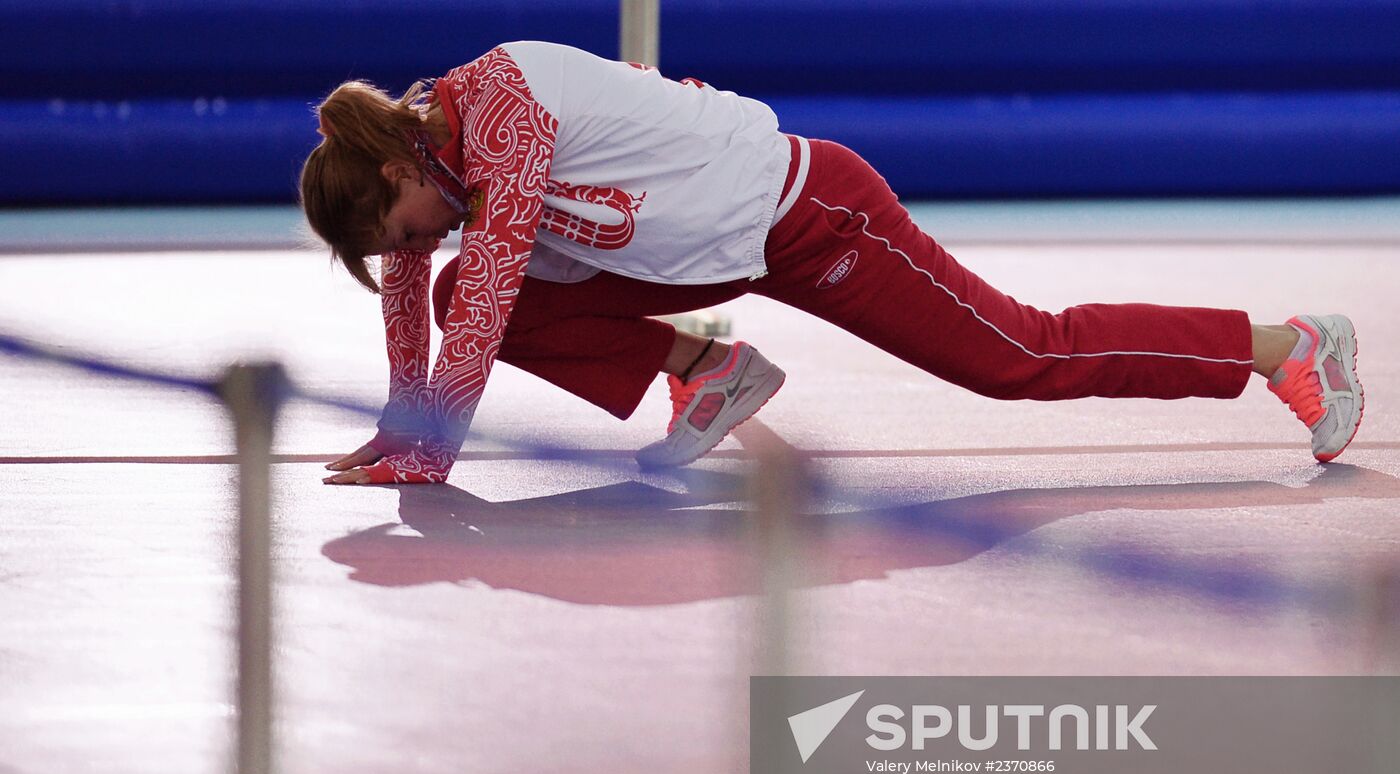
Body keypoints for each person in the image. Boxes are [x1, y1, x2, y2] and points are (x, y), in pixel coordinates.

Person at [299, 41, 1364, 485]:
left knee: (1016, 356)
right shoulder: (427, 156)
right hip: (698, 253)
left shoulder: (501, 105)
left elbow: (483, 295)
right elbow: (425, 292)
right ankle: (707, 369)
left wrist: (431, 446)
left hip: (814, 218)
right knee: (457, 288)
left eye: (403, 226)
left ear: (393, 166)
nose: (414, 249)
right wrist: (401, 428)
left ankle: (1281, 345)